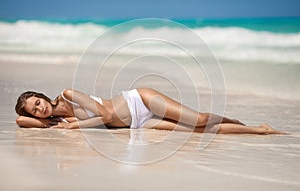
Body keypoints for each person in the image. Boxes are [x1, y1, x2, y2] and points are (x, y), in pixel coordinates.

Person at [15, 88, 285, 134]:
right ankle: (260, 129)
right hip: (138, 125)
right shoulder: (56, 119)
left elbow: (106, 116)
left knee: (200, 120)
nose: (39, 109)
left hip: (139, 102)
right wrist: (43, 120)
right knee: (200, 133)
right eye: (34, 110)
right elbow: (19, 121)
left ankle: (234, 119)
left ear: (42, 95)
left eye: (37, 102)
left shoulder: (68, 96)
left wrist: (74, 126)